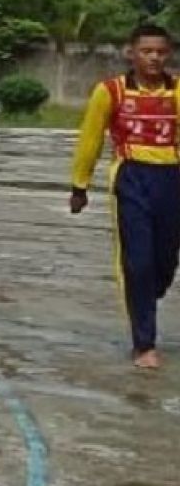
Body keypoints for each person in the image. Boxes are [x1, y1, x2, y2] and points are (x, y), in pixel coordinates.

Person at [71, 24, 180, 370]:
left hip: (173, 178)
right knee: (138, 262)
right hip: (132, 178)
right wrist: (80, 185)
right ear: (130, 53)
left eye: (161, 52)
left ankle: (148, 293)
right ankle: (144, 343)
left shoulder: (177, 91)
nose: (154, 57)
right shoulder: (110, 91)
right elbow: (90, 138)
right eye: (147, 51)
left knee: (165, 263)